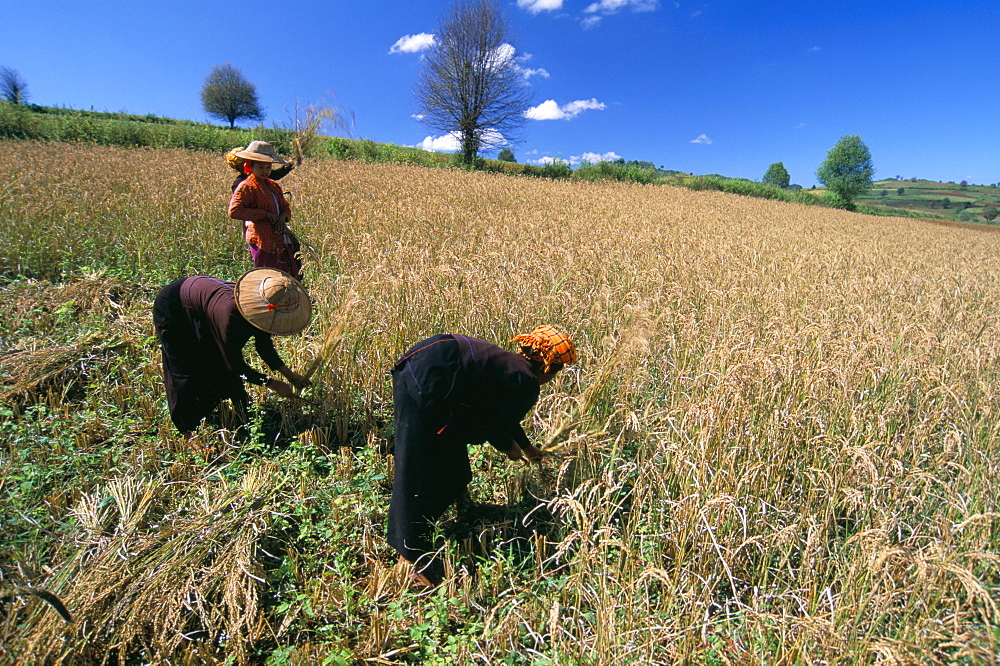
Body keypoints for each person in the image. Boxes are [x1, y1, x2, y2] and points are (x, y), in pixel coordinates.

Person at [387, 325, 577, 586]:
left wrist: (527, 447)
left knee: (452, 452)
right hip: (428, 379)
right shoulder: (527, 382)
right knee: (418, 467)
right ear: (547, 368)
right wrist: (509, 448)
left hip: (429, 363)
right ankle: (408, 560)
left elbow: (504, 415)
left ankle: (462, 503)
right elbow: (495, 423)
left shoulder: (512, 367)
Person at [152, 268, 312, 439]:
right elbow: (232, 364)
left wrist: (290, 375)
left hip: (202, 305)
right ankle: (188, 431)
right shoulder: (232, 316)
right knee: (185, 370)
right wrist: (271, 383)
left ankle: (227, 412)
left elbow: (263, 346)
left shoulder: (261, 312)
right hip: (174, 306)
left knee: (212, 361)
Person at [227, 141, 303, 281]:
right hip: (261, 238)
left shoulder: (273, 185)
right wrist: (264, 215)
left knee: (285, 276)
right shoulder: (246, 186)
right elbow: (234, 211)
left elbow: (285, 207)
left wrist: (282, 218)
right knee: (266, 277)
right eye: (260, 166)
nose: (265, 170)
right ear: (250, 166)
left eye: (268, 167)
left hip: (280, 237)